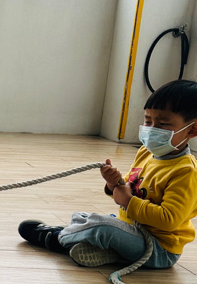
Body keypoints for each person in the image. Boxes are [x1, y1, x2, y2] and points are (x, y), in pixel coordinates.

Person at [18, 79, 197, 268]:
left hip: (158, 249)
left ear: (192, 129)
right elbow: (128, 188)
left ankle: (55, 238)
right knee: (82, 217)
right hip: (131, 230)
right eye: (147, 121)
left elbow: (169, 220)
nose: (151, 129)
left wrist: (128, 201)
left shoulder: (186, 172)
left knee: (101, 227)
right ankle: (103, 249)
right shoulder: (146, 153)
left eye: (163, 123)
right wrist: (114, 184)